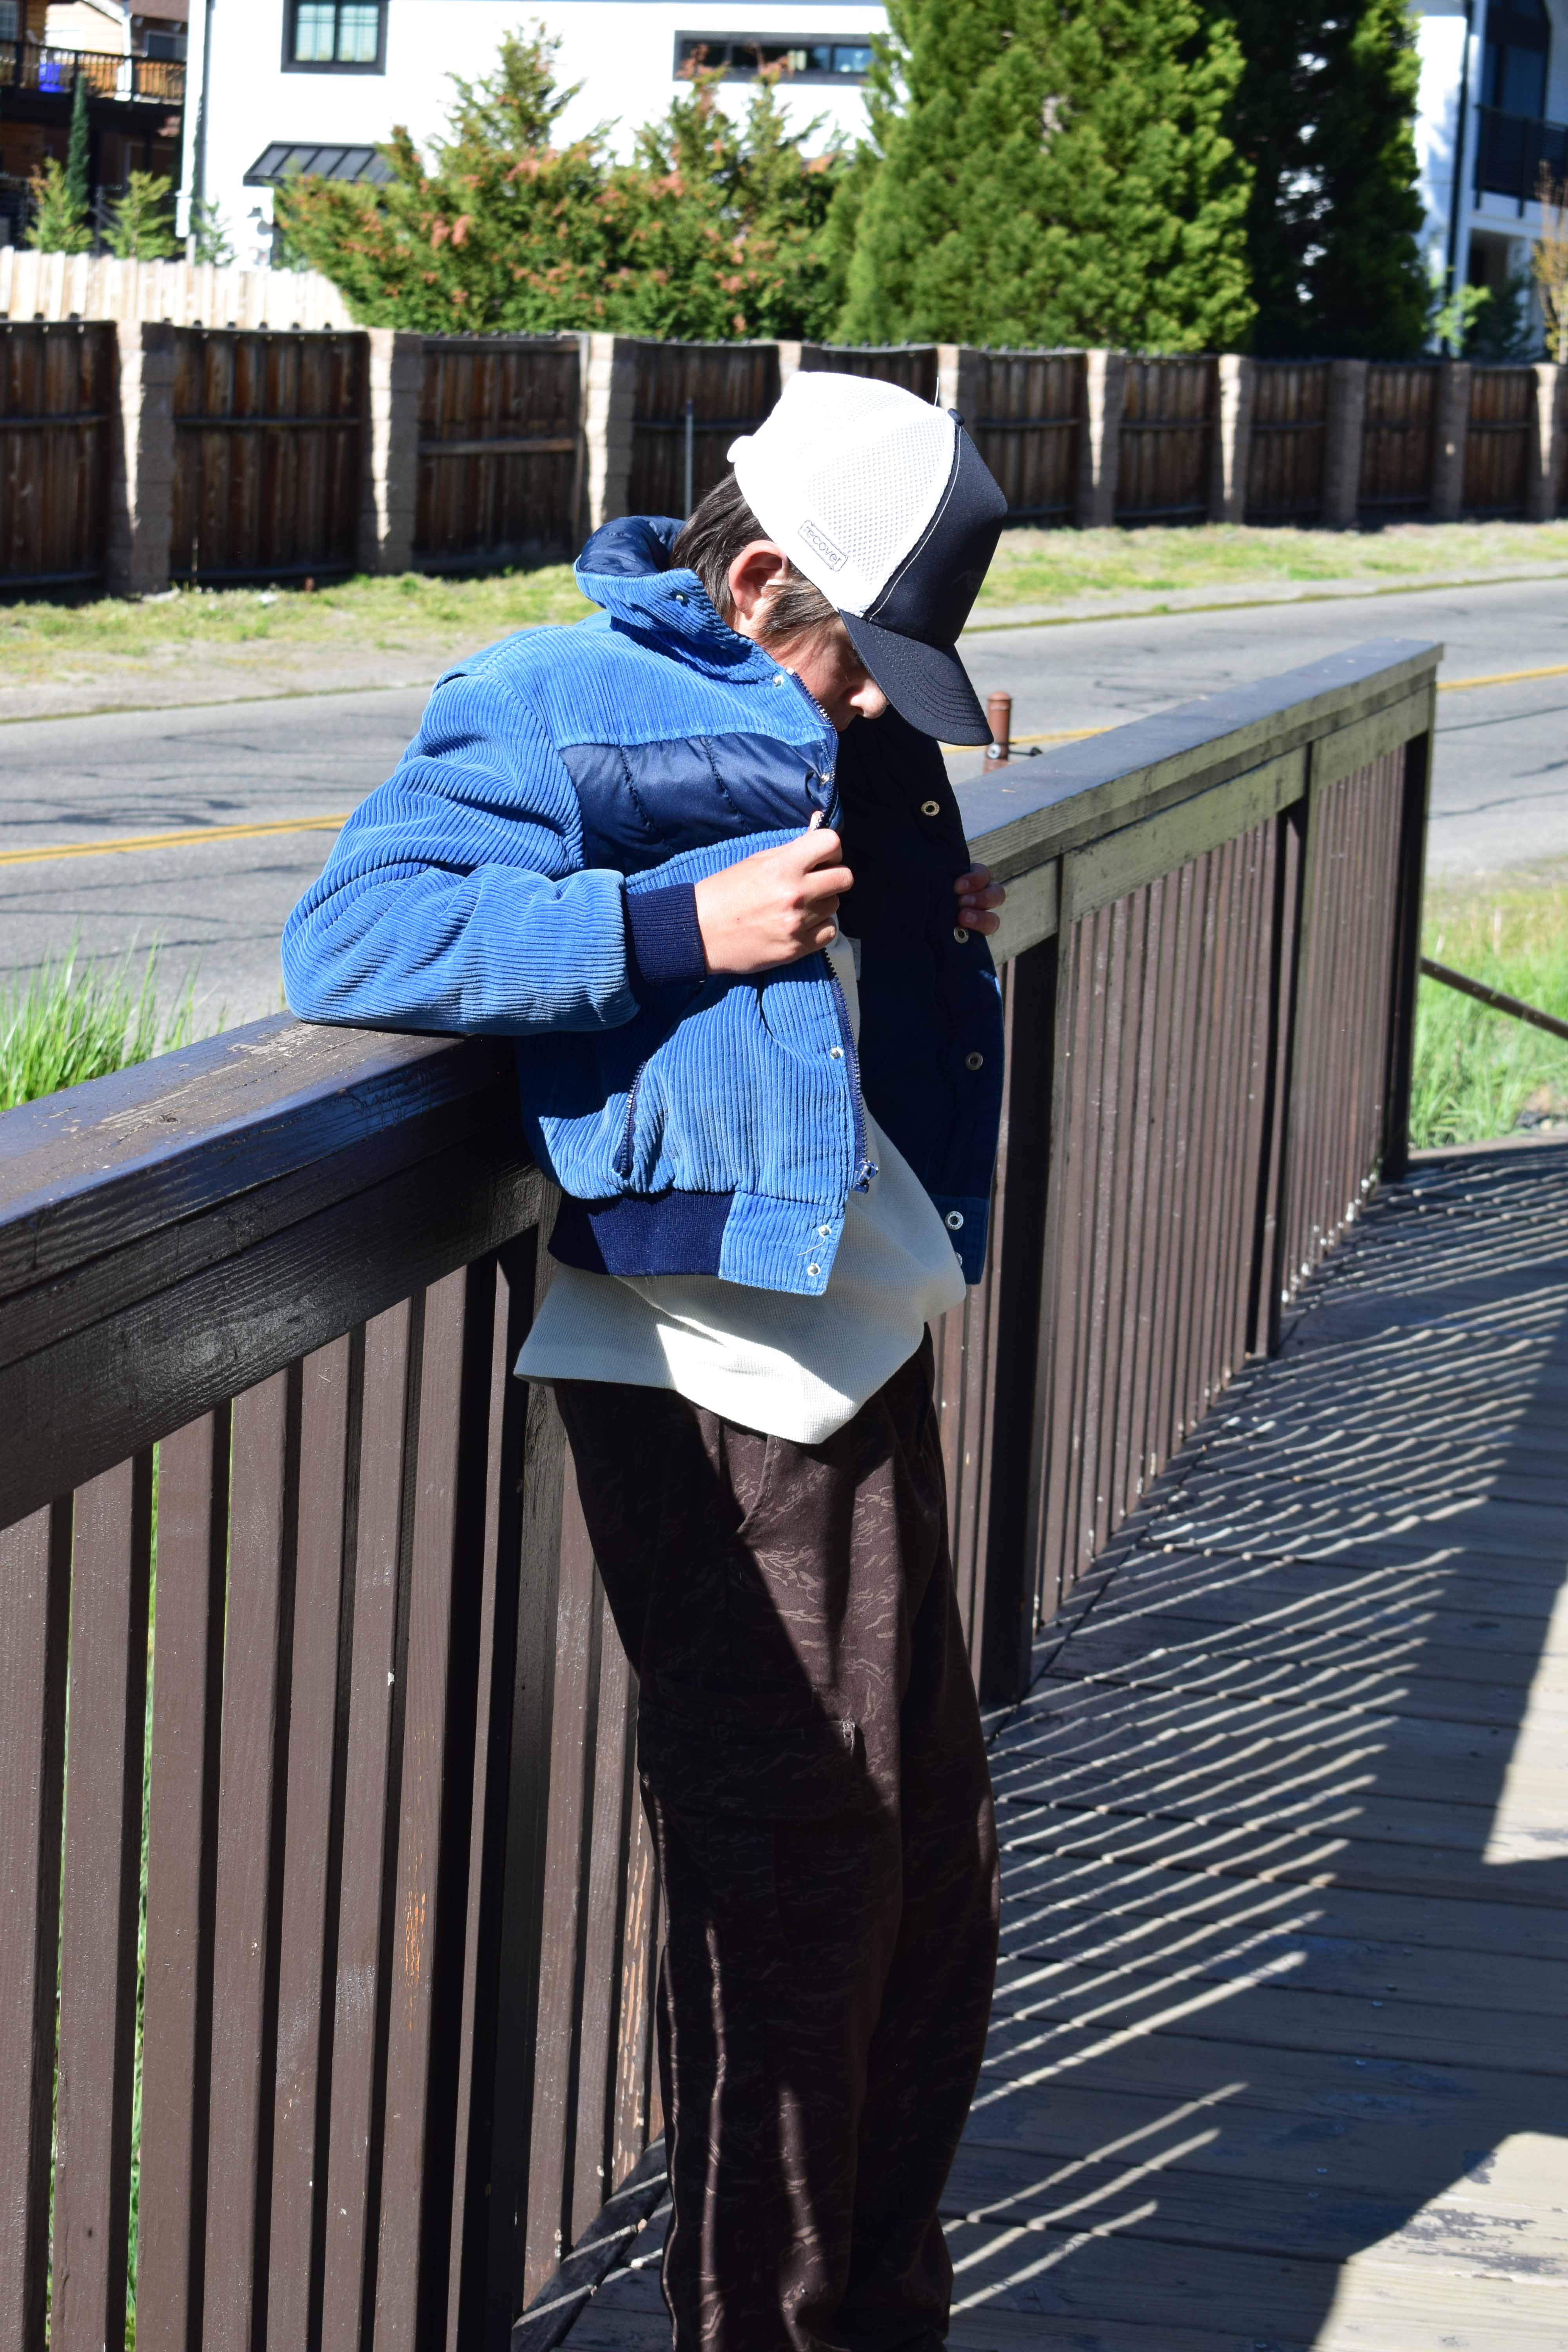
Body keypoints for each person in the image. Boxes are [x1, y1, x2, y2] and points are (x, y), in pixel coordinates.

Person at [282, 370, 1011, 2350]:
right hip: (714, 1364)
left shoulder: (808, 703)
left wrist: (922, 920)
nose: (873, 703)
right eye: (865, 664)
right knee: (801, 1892)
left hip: (854, 1324)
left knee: (926, 1893)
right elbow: (350, 941)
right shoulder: (552, 694)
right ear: (765, 574)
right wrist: (678, 925)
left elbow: (825, 926)